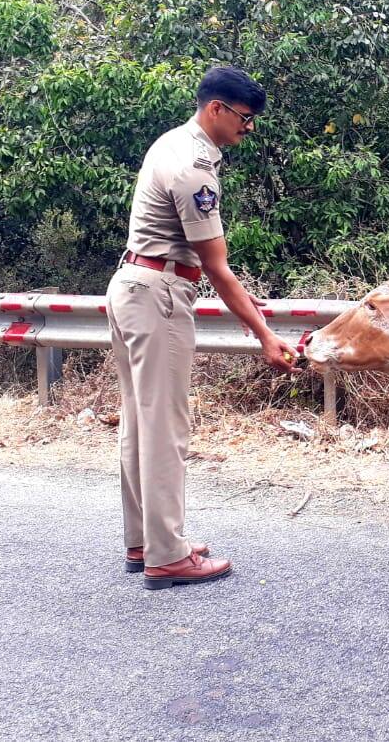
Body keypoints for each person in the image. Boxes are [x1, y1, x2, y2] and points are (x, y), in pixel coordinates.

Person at [105, 66, 295, 590]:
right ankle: (168, 554)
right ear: (217, 108)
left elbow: (198, 259)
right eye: (244, 118)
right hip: (159, 295)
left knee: (140, 424)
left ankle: (146, 540)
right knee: (166, 426)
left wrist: (247, 306)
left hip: (134, 285)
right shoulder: (194, 167)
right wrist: (263, 335)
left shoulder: (171, 142)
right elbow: (216, 265)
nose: (248, 129)